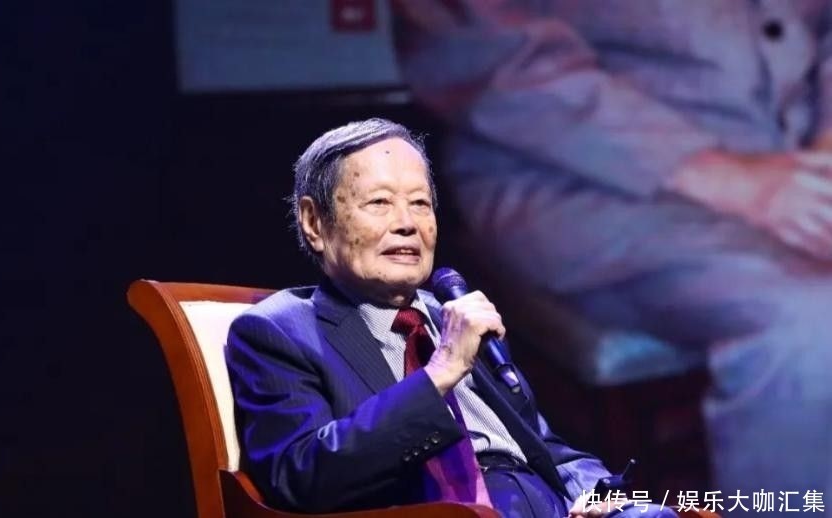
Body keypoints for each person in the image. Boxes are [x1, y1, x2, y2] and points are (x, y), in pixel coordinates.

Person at [390, 0, 832, 513]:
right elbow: (478, 49)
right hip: (573, 179)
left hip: (792, 163)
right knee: (808, 321)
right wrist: (729, 176)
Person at [225, 118, 677, 517]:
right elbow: (302, 475)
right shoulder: (280, 331)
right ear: (314, 222)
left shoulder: (454, 317)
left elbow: (544, 449)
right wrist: (440, 372)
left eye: (420, 203)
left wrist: (599, 495)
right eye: (380, 202)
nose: (407, 223)